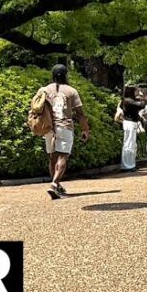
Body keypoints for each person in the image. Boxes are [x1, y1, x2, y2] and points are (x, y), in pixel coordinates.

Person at [39, 64, 90, 199]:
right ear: (66, 75)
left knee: (52, 157)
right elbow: (80, 114)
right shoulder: (71, 91)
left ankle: (57, 185)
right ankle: (54, 184)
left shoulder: (44, 90)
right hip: (65, 126)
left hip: (48, 128)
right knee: (63, 156)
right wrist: (85, 129)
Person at [119, 85, 146, 172]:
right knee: (128, 144)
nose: (137, 92)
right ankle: (126, 166)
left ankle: (131, 164)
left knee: (133, 145)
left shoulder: (128, 100)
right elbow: (142, 105)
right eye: (136, 91)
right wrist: (142, 96)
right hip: (129, 123)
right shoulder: (128, 101)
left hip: (131, 123)